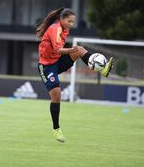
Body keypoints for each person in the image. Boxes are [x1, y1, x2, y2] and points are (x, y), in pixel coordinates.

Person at [36, 7, 114, 143]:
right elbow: (58, 49)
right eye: (69, 21)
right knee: (57, 94)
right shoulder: (56, 29)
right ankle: (56, 129)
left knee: (80, 50)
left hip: (57, 62)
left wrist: (74, 50)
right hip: (46, 67)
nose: (72, 24)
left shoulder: (65, 29)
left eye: (73, 22)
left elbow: (60, 51)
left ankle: (102, 68)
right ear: (62, 19)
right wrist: (73, 49)